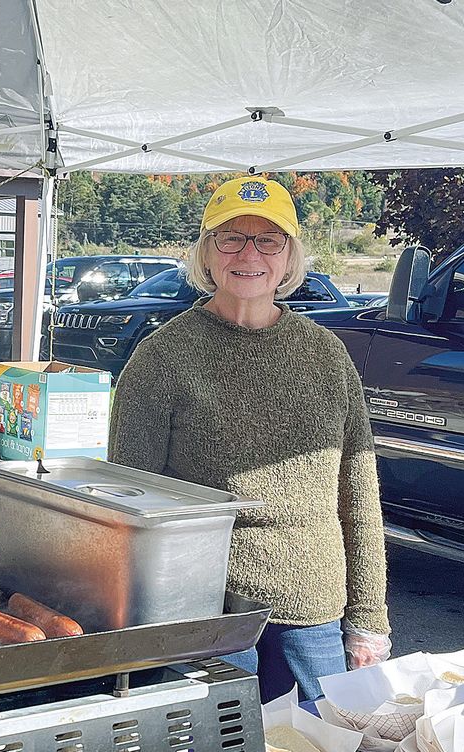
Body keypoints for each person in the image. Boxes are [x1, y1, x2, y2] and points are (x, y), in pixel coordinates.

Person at [108, 176, 391, 702]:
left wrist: (369, 616)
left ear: (289, 259)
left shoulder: (326, 355)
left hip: (313, 607)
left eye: (269, 240)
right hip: (206, 608)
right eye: (231, 237)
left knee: (322, 738)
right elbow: (130, 502)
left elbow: (358, 491)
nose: (249, 253)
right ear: (206, 255)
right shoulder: (162, 356)